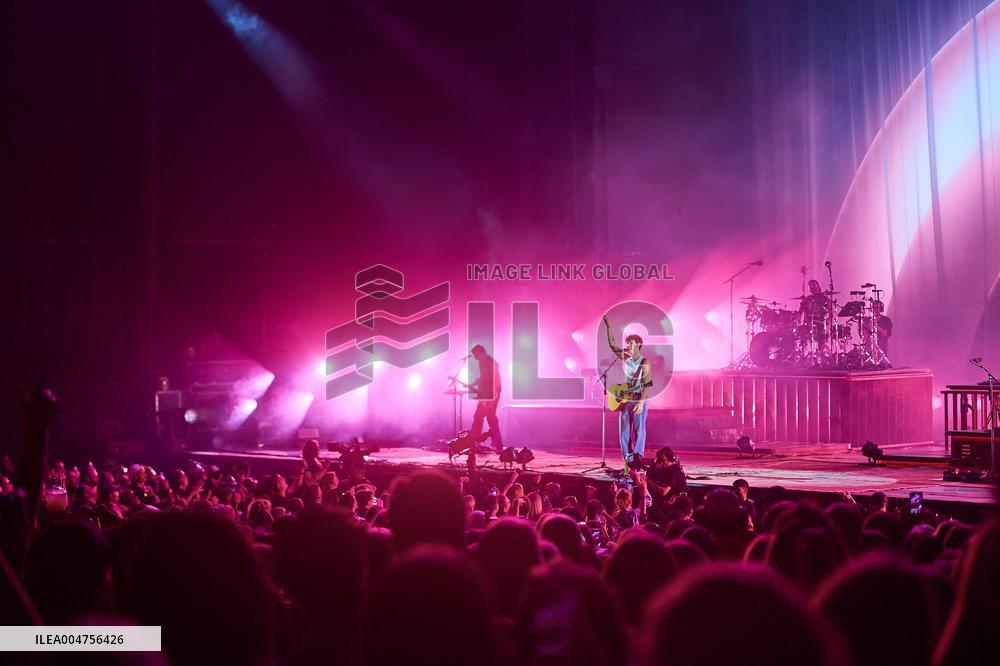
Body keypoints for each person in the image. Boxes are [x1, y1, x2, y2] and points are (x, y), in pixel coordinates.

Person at [603, 315, 651, 470]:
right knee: (624, 432)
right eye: (628, 343)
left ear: (638, 344)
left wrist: (641, 403)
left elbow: (648, 384)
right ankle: (627, 462)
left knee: (639, 432)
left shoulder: (644, 362)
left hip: (638, 399)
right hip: (626, 400)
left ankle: (637, 459)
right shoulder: (627, 359)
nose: (628, 345)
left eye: (631, 343)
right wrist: (608, 327)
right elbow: (613, 345)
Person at [467, 345, 504, 454]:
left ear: (480, 353)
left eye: (475, 355)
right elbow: (484, 378)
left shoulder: (488, 362)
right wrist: (474, 384)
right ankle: (497, 444)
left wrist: (491, 397)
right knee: (489, 418)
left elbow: (495, 379)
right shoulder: (484, 361)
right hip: (488, 394)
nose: (475, 358)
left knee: (481, 417)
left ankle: (474, 443)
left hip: (491, 395)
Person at [645, 447, 687, 522]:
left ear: (670, 459)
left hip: (674, 507)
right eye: (659, 461)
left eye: (663, 460)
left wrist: (647, 481)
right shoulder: (666, 468)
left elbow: (664, 492)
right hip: (668, 503)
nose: (660, 463)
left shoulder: (673, 470)